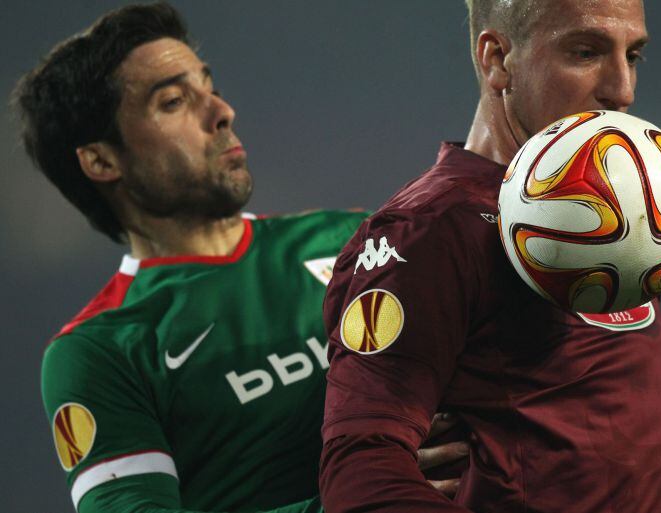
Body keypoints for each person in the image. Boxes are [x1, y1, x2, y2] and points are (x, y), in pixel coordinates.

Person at [13, 3, 468, 512]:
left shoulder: (353, 238)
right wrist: (358, 502)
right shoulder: (100, 350)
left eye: (209, 86)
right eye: (172, 102)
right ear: (101, 160)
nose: (220, 111)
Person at [320, 1, 661, 512]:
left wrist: (646, 390)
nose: (622, 90)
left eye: (632, 56)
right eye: (585, 52)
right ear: (498, 58)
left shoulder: (606, 205)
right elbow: (362, 472)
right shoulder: (428, 231)